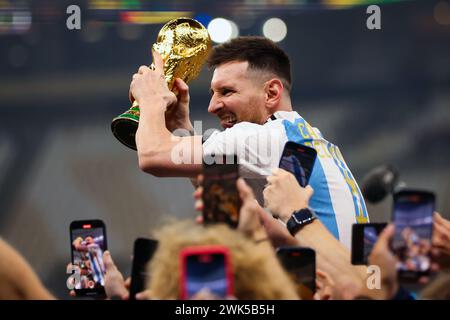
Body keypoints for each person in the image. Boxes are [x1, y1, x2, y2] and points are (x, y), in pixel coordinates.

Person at [130, 36, 369, 247]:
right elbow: (232, 209)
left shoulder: (261, 139)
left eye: (227, 92)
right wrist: (181, 127)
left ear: (271, 93)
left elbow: (152, 156)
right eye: (213, 93)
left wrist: (151, 100)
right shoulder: (299, 139)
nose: (212, 106)